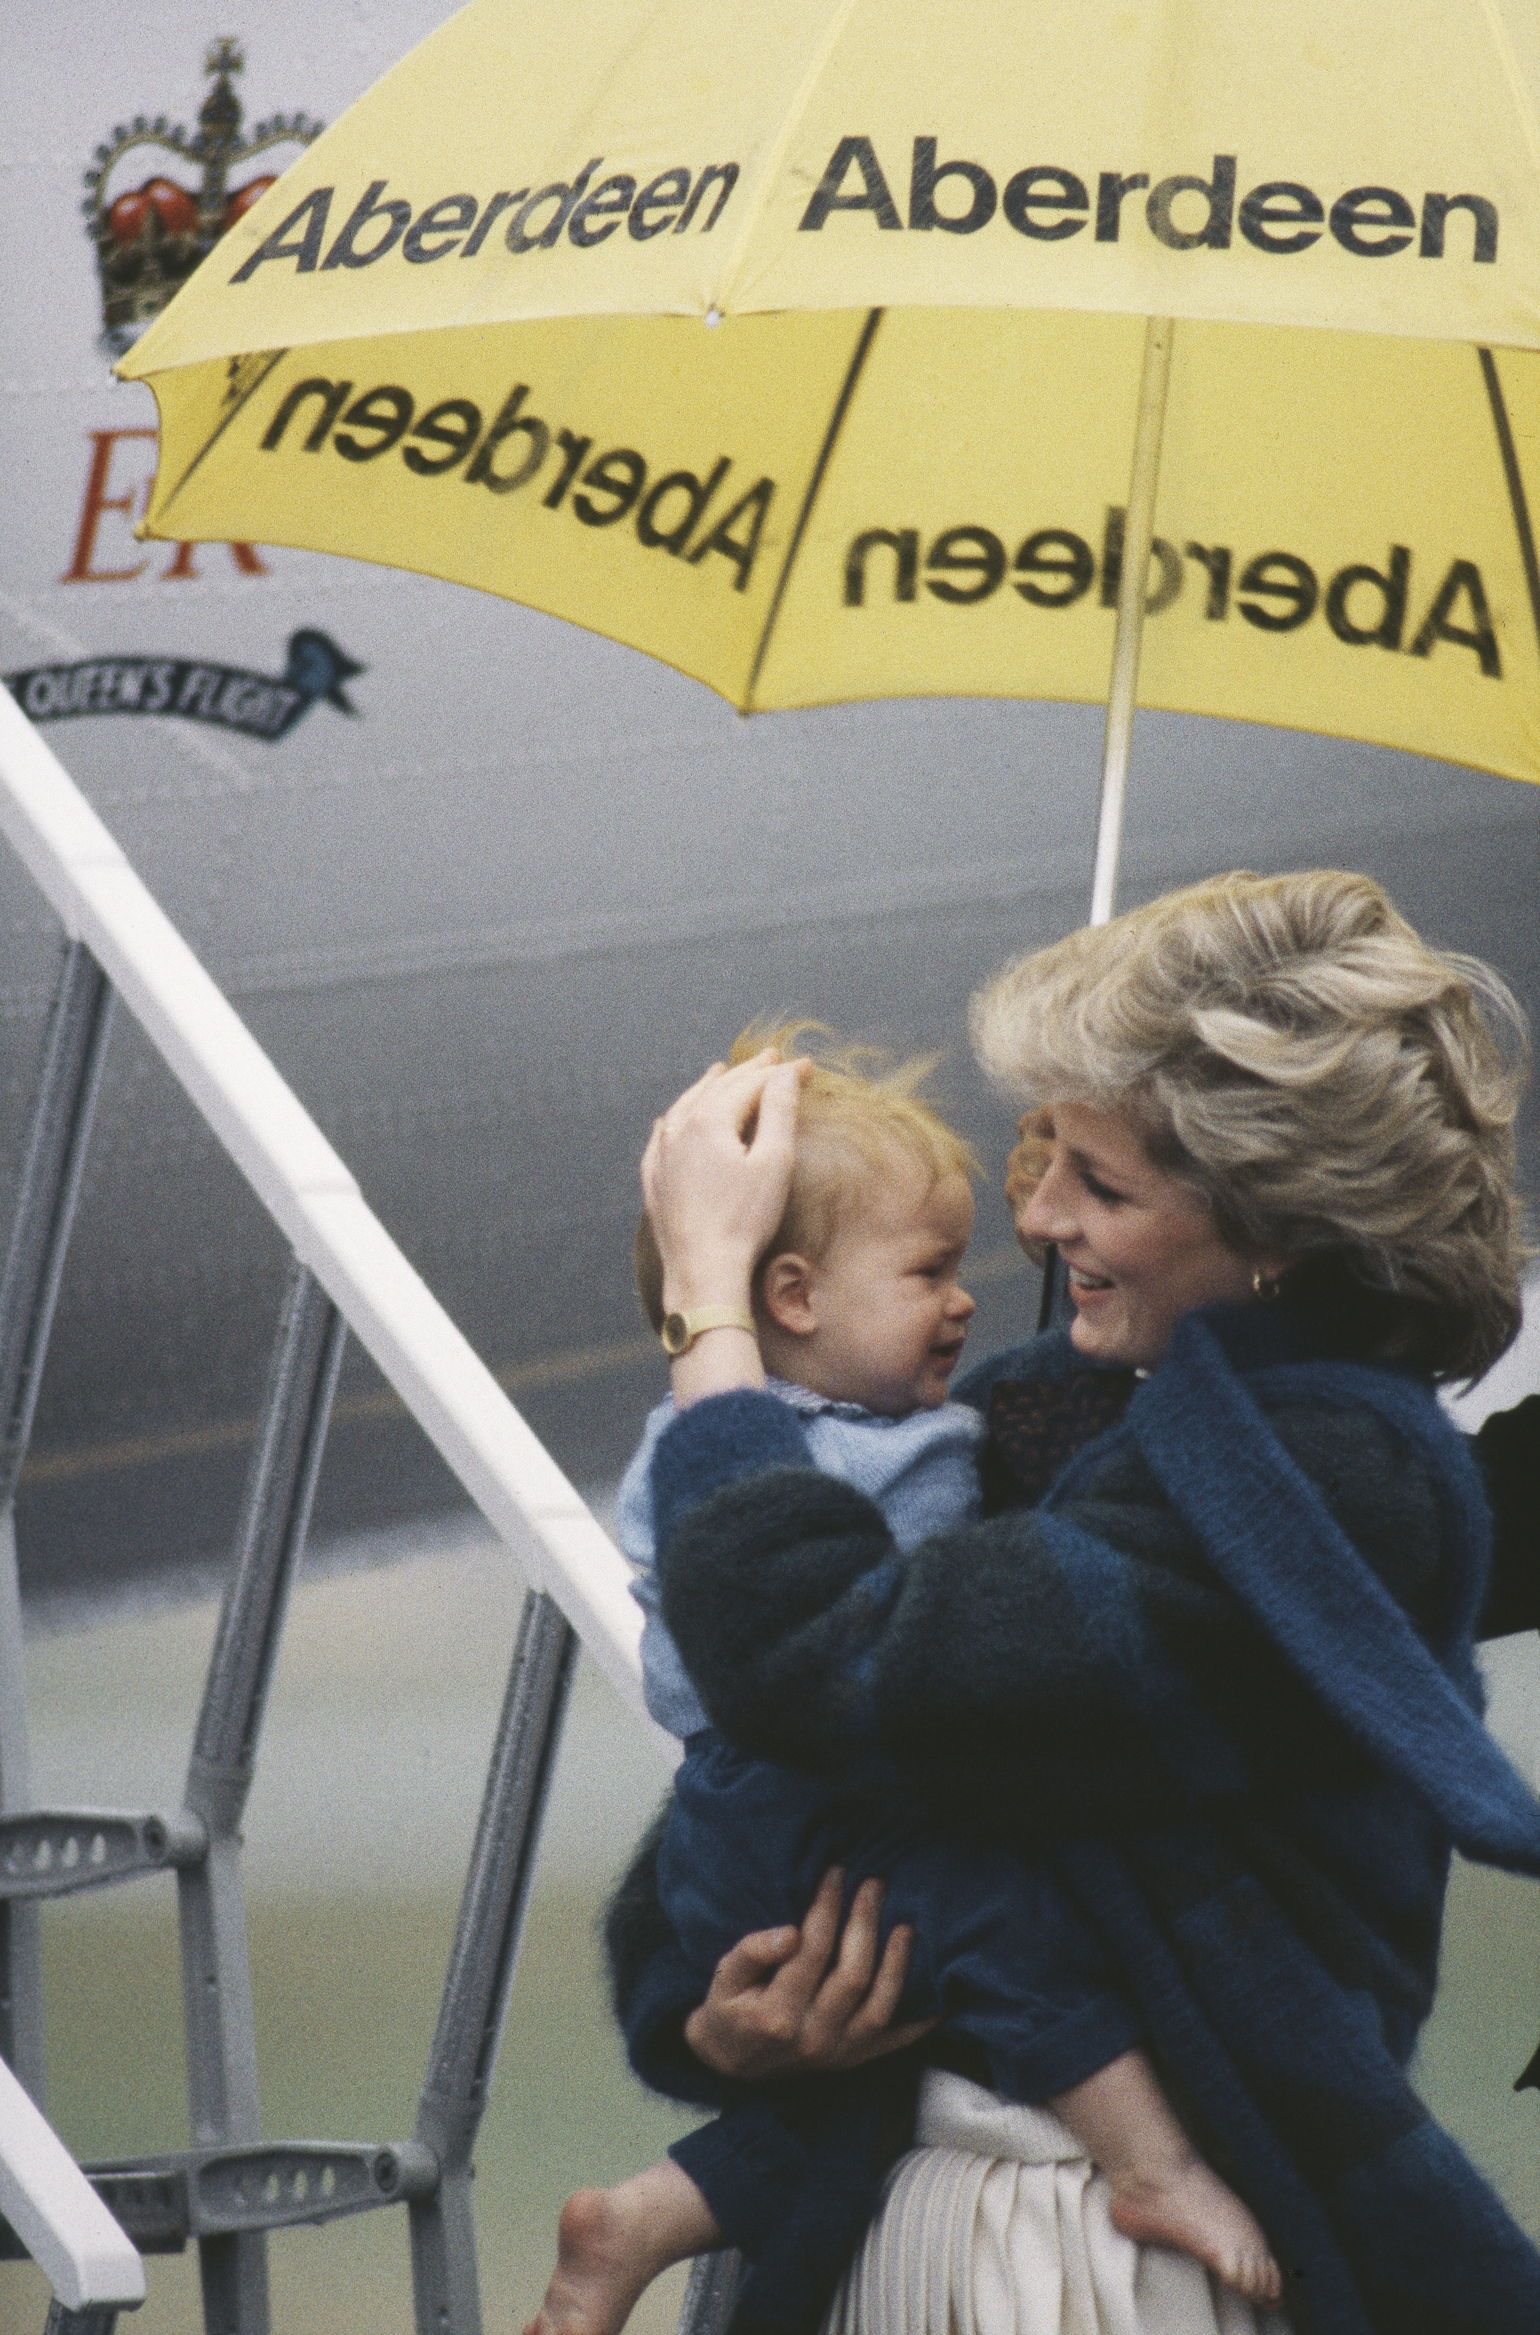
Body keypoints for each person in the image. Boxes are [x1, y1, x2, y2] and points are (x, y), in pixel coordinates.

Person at [611, 870, 1540, 2335]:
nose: (1035, 1219)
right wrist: (722, 2007)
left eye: (1102, 1185)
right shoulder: (1076, 1418)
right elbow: (806, 1784)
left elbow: (823, 1665)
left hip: (1106, 2259)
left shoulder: (1333, 1478)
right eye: (1048, 1157)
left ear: (1276, 1227)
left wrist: (712, 1310)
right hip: (932, 2211)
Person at [529, 1028, 1280, 2335]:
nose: (979, 1289)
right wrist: (707, 1290)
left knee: (851, 2088)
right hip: (803, 1805)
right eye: (932, 1270)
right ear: (800, 1298)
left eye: (1098, 1188)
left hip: (758, 1823)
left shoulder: (860, 1427)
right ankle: (1152, 2164)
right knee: (994, 1916)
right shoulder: (762, 1442)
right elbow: (812, 1657)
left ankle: (646, 2215)